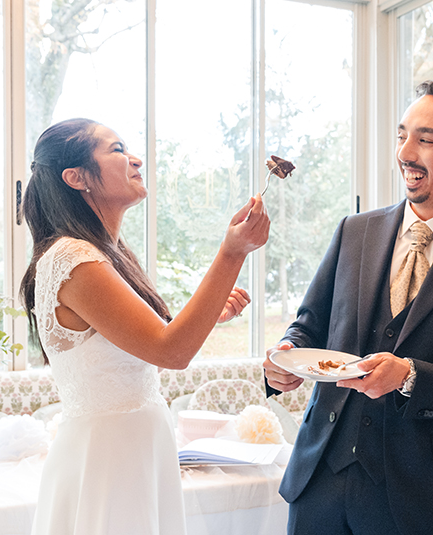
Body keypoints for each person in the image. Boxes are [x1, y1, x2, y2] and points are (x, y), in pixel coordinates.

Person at [263, 81, 433, 535]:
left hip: (426, 497)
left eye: (426, 140)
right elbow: (308, 327)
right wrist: (286, 356)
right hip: (320, 481)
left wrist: (410, 376)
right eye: (402, 135)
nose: (406, 151)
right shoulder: (354, 231)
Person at [19, 118, 270, 534]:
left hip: (137, 449)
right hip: (109, 461)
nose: (135, 159)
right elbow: (170, 351)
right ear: (76, 177)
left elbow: (148, 343)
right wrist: (232, 252)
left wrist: (209, 314)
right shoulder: (74, 259)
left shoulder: (108, 253)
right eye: (116, 150)